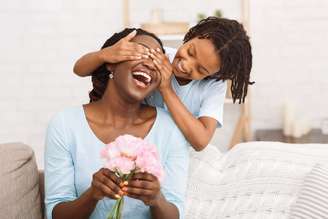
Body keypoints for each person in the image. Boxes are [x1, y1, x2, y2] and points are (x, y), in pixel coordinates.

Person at [45, 28, 189, 219]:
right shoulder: (64, 124)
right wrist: (92, 195)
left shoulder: (170, 128)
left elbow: (175, 213)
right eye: (142, 52)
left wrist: (157, 200)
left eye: (158, 60)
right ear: (111, 63)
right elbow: (56, 213)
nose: (150, 64)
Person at [73, 17, 254, 151]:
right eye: (190, 52)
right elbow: (79, 70)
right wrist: (105, 54)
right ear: (192, 35)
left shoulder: (214, 85)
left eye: (201, 70)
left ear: (215, 74)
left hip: (174, 153)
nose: (186, 65)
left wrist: (166, 89)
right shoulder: (158, 54)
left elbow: (200, 141)